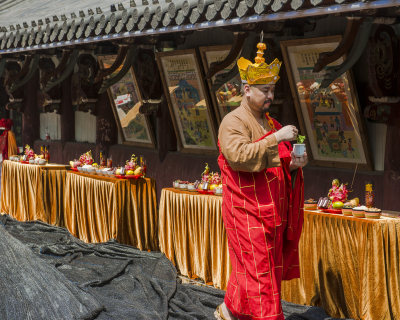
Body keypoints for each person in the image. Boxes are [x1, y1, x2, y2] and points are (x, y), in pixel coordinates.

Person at [215, 41, 307, 320]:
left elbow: (279, 162)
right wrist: (276, 139)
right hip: (246, 210)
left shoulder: (270, 122)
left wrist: (294, 165)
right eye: (265, 90)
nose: (270, 95)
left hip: (272, 209)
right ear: (246, 90)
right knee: (260, 273)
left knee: (260, 271)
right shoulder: (233, 122)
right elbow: (238, 156)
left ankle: (230, 310)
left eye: (272, 90)